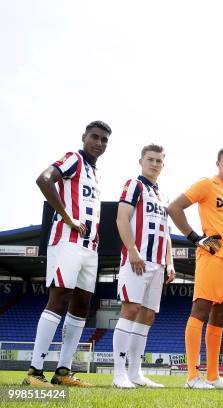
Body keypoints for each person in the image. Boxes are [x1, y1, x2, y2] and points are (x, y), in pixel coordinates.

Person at [24, 121, 111, 387]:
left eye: (104, 140)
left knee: (82, 305)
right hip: (67, 240)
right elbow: (44, 179)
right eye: (94, 137)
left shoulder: (96, 173)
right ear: (84, 137)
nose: (99, 143)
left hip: (89, 247)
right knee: (60, 297)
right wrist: (67, 217)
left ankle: (63, 372)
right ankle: (34, 372)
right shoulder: (73, 158)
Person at [167, 147, 223, 389]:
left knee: (221, 316)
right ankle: (192, 377)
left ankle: (213, 376)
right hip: (212, 257)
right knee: (201, 309)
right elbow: (173, 208)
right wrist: (196, 238)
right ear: (218, 163)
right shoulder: (206, 184)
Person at [112, 144, 176, 388]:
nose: (155, 164)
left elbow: (166, 232)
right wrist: (133, 251)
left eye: (159, 160)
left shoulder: (162, 195)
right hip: (137, 260)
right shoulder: (133, 185)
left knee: (147, 315)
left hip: (158, 264)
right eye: (151, 159)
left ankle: (136, 373)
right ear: (141, 161)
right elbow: (122, 218)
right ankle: (119, 374)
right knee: (130, 309)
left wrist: (169, 262)